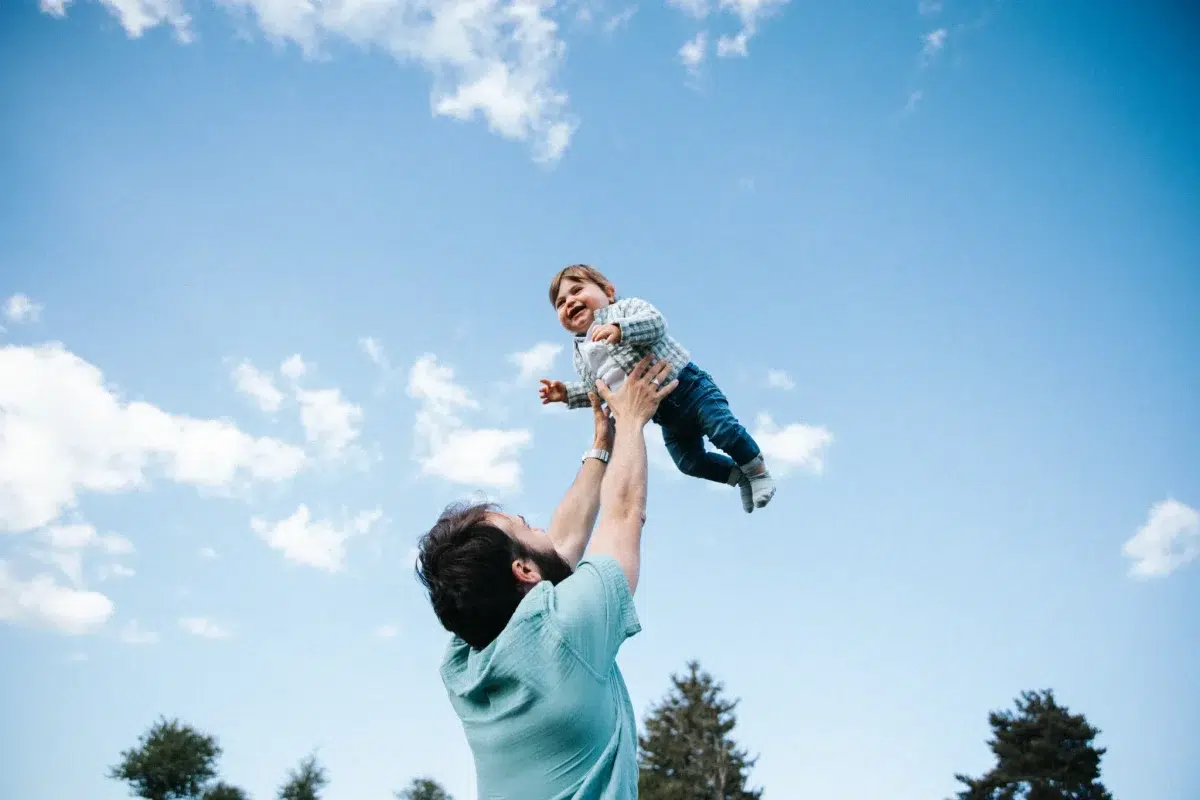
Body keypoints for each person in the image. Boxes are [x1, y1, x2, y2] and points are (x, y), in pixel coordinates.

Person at [416, 356, 677, 800]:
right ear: (522, 571)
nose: (532, 522)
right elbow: (625, 512)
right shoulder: (566, 631)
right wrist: (632, 420)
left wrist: (600, 446)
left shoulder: (463, 664)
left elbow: (559, 546)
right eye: (522, 525)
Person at [538, 264, 775, 513]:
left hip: (689, 387)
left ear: (608, 291)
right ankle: (739, 477)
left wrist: (620, 329)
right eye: (561, 302)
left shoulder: (623, 309)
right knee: (688, 462)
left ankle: (758, 472)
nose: (570, 302)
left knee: (723, 430)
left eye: (577, 291)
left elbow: (655, 323)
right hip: (664, 415)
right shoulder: (580, 355)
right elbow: (597, 390)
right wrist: (566, 393)